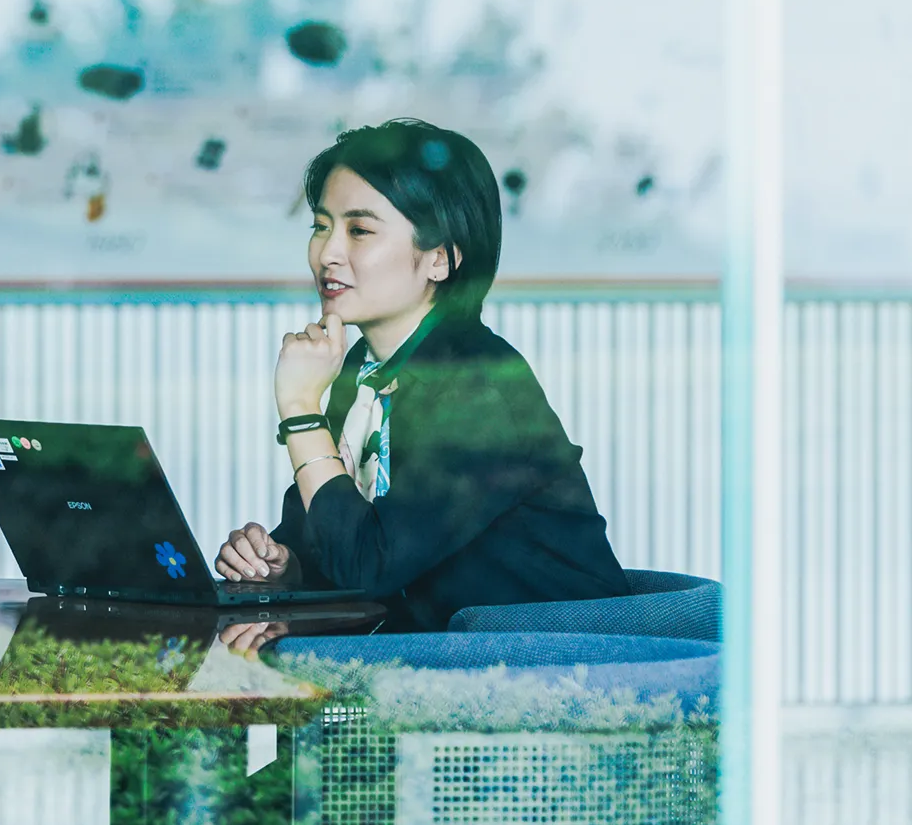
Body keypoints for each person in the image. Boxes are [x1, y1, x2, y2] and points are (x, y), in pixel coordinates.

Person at [216, 118, 625, 644]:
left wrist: (300, 410)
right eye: (320, 226)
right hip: (449, 661)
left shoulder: (478, 387)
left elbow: (369, 564)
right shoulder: (363, 370)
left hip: (563, 668)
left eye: (359, 231)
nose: (327, 253)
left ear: (439, 258)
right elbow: (334, 548)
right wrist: (280, 565)